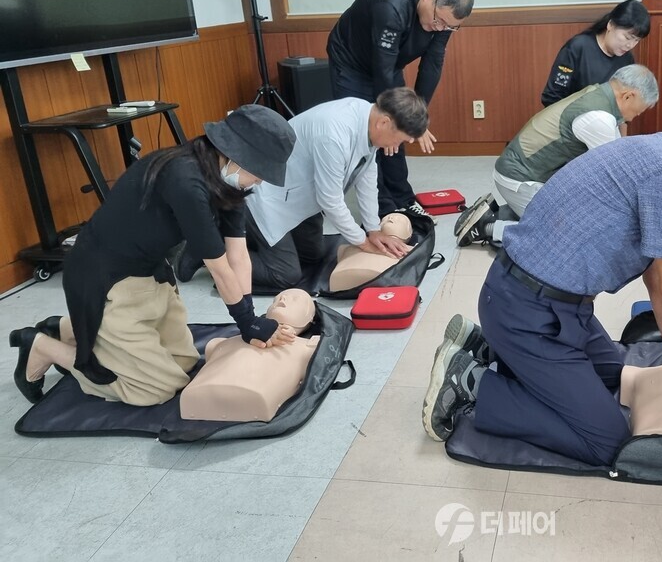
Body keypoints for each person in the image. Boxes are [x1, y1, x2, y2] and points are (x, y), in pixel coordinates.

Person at [422, 116, 662, 466]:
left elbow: (659, 284)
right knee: (608, 442)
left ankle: (495, 350)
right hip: (528, 312)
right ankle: (473, 384)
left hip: (546, 305)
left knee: (615, 373)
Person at [8, 105, 297, 406]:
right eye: (260, 173)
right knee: (155, 389)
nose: (261, 182)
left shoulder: (226, 183)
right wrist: (247, 323)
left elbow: (238, 254)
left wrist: (250, 316)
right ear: (238, 157)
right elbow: (220, 268)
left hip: (149, 272)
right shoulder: (186, 180)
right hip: (103, 278)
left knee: (184, 364)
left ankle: (71, 328)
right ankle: (42, 346)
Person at [243, 88, 429, 291]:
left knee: (313, 256)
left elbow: (366, 178)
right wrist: (363, 243)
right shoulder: (334, 133)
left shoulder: (369, 119)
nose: (397, 145)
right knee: (286, 275)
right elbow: (330, 200)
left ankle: (255, 242)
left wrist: (373, 230)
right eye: (400, 140)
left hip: (298, 196)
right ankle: (226, 254)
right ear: (384, 123)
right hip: (267, 196)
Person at [456, 64, 659, 247]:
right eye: (639, 111)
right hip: (521, 179)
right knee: (572, 236)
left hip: (525, 174)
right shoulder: (599, 118)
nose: (635, 117)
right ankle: (488, 226)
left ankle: (510, 212)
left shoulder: (596, 95)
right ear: (628, 96)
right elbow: (615, 177)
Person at [326, 0, 474, 217]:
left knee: (398, 129)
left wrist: (417, 118)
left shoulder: (444, 18)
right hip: (351, 63)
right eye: (439, 21)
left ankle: (403, 198)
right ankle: (383, 208)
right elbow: (381, 70)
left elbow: (432, 64)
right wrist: (398, 118)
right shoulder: (391, 6)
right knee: (369, 131)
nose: (440, 28)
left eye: (449, 26)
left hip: (389, 63)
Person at [180, 288, 320, 423]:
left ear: (310, 318)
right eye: (275, 300)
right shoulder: (222, 343)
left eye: (295, 300)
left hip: (252, 396)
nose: (282, 299)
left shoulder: (308, 346)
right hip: (201, 392)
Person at [540, 0, 651, 107]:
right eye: (627, 37)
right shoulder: (578, 48)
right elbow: (552, 97)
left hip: (605, 123)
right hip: (570, 121)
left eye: (636, 40)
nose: (630, 45)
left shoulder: (627, 60)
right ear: (610, 25)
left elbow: (623, 106)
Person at [329, 212, 413, 292]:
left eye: (399, 219)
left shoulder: (411, 250)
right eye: (385, 219)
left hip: (381, 279)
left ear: (409, 233)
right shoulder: (350, 245)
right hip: (342, 279)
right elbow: (333, 205)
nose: (390, 218)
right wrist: (362, 240)